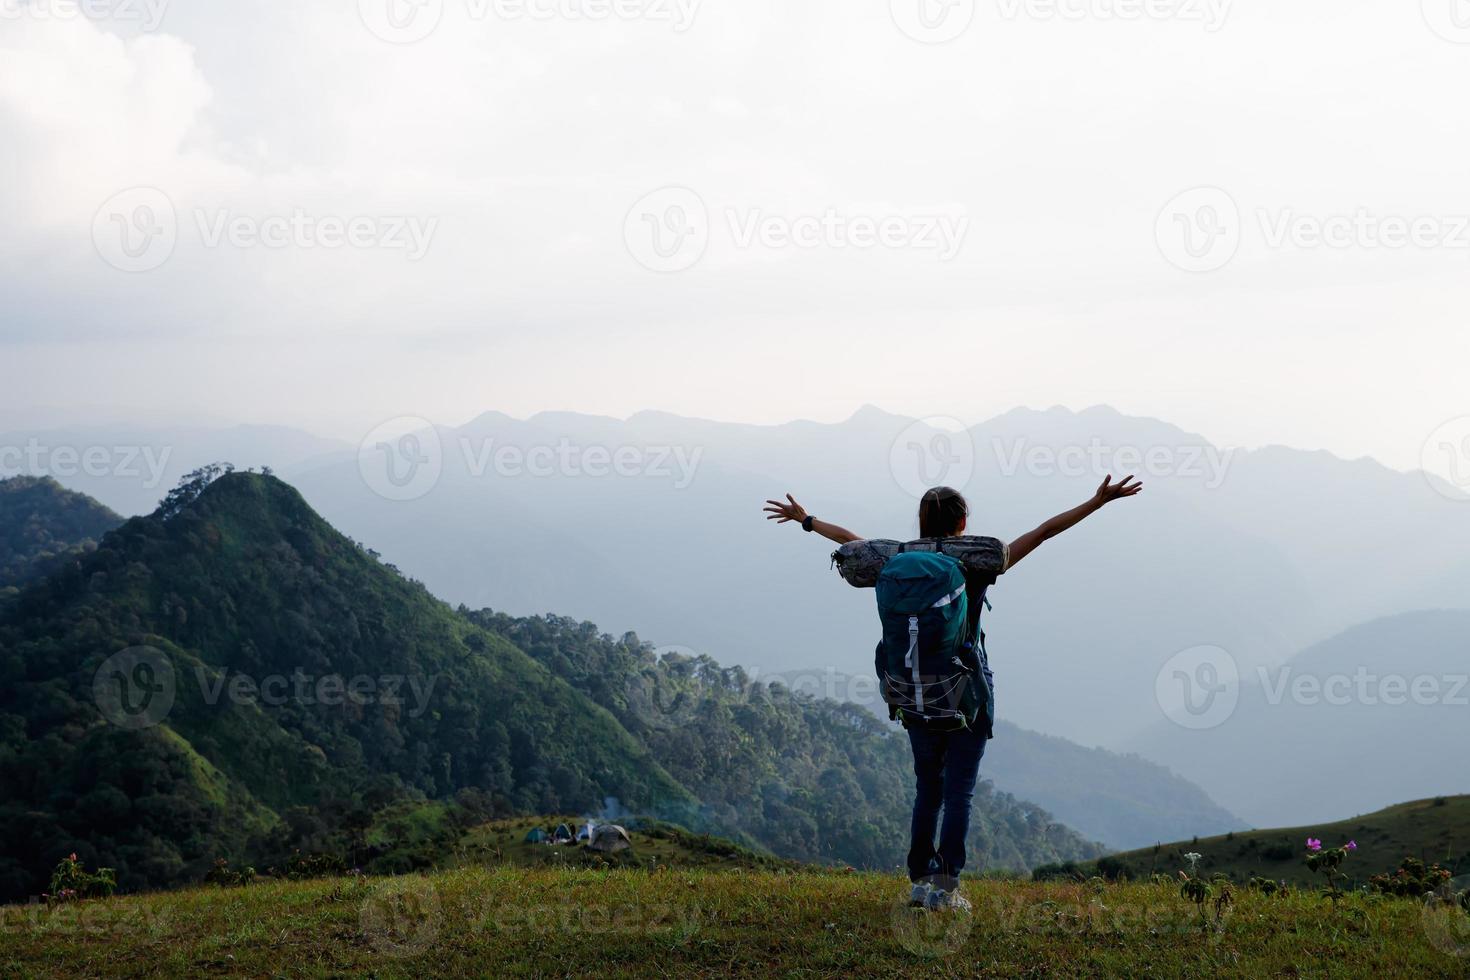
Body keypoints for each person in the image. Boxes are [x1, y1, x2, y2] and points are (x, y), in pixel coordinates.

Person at [763, 475, 1143, 911]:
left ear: (921, 521)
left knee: (928, 789)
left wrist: (806, 520)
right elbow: (1042, 532)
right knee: (959, 792)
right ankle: (945, 889)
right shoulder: (976, 560)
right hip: (966, 692)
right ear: (963, 521)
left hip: (911, 690)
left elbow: (851, 541)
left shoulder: (894, 556)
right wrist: (1096, 503)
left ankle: (919, 883)